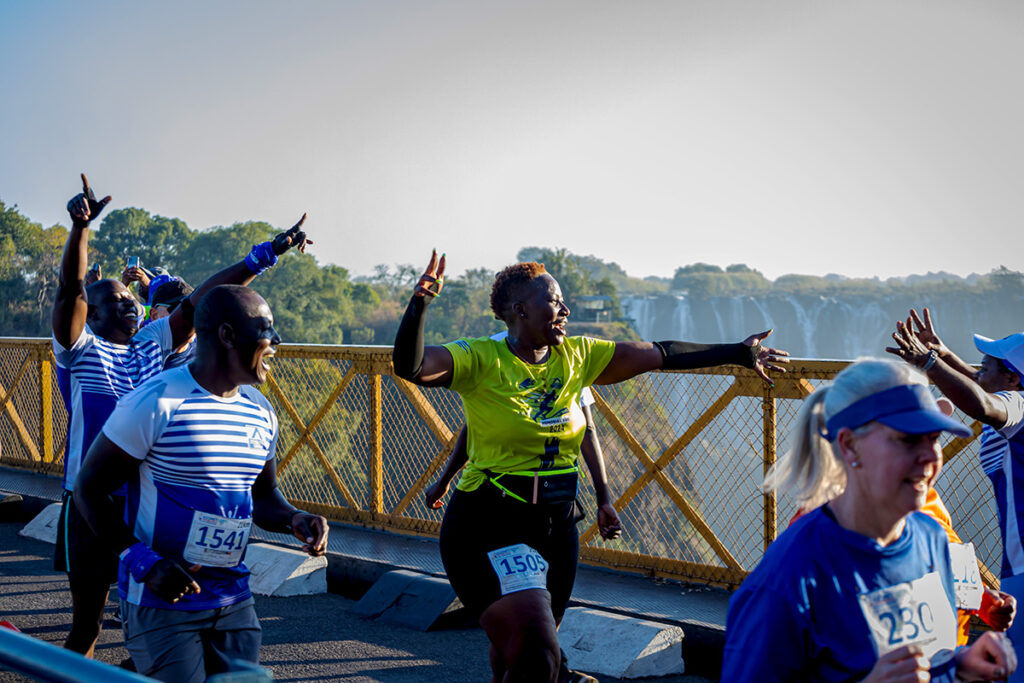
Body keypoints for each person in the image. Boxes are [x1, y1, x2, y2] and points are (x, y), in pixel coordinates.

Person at [393, 252, 788, 683]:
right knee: (541, 656)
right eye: (554, 301)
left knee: (522, 655)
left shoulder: (579, 357)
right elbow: (410, 366)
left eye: (564, 302)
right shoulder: (479, 359)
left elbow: (660, 354)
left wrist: (737, 352)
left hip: (556, 524)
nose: (565, 310)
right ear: (520, 310)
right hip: (489, 522)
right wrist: (420, 303)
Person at [51, 174, 310, 656]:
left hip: (147, 500)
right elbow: (71, 290)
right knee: (87, 626)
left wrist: (264, 255)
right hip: (93, 502)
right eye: (113, 303)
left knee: (162, 622)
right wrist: (80, 229)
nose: (128, 306)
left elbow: (202, 303)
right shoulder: (78, 351)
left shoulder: (151, 345)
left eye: (130, 301)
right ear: (92, 315)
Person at [74, 285, 328, 682]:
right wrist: (145, 563)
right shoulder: (156, 402)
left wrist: (295, 518)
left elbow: (263, 498)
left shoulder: (260, 411)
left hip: (233, 598)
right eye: (266, 329)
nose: (276, 342)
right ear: (226, 336)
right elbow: (88, 489)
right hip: (162, 599)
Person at [725, 358, 1015, 682]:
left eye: (934, 437)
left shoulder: (932, 539)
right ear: (850, 446)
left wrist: (960, 664)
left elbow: (926, 659)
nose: (931, 456)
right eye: (907, 438)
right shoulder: (787, 580)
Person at [888, 308, 1024, 680]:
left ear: (1013, 378)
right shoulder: (1014, 395)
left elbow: (984, 402)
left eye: (986, 364)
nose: (978, 369)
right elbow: (984, 385)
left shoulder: (1018, 405)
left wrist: (931, 363)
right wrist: (944, 355)